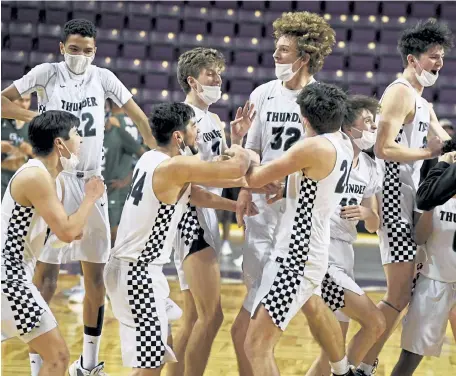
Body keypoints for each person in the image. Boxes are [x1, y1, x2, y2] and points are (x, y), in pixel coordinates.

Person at [1, 18, 155, 376]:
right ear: (61, 48)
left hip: (92, 181)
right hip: (57, 179)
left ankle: (89, 363)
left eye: (87, 50)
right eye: (74, 49)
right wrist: (40, 117)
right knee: (46, 276)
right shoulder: (46, 73)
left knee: (95, 278)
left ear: (95, 51)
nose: (81, 55)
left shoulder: (103, 78)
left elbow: (139, 117)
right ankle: (38, 362)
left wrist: (161, 151)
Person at [103, 102, 253, 376]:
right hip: (136, 273)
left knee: (161, 353)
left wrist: (237, 207)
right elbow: (235, 170)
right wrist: (240, 145)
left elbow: (195, 194)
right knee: (152, 366)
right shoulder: (175, 166)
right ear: (178, 136)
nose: (198, 130)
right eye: (194, 126)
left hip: (136, 270)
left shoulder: (153, 158)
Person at [231, 12, 336, 376]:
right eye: (276, 49)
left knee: (301, 306)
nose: (275, 56)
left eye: (283, 51)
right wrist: (247, 192)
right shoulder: (263, 93)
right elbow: (254, 148)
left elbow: (322, 156)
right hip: (262, 206)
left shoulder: (319, 100)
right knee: (255, 309)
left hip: (300, 213)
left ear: (304, 57)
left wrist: (284, 180)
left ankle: (339, 365)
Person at [356, 19, 454, 376]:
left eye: (441, 57)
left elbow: (447, 144)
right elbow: (383, 148)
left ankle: (364, 363)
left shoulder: (420, 100)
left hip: (410, 201)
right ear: (413, 59)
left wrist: (443, 151)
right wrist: (430, 155)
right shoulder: (399, 92)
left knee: (403, 297)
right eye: (433, 57)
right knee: (397, 297)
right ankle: (357, 364)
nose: (439, 64)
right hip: (395, 200)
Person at [242, 82, 354, 376]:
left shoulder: (311, 146)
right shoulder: (341, 143)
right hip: (312, 250)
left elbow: (253, 178)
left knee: (255, 346)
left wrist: (240, 144)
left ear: (304, 118)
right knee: (315, 306)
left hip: (295, 257)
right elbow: (314, 183)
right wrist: (287, 190)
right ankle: (343, 371)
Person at [168, 47, 256, 376]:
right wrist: (238, 202)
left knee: (193, 316)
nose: (218, 79)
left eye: (219, 73)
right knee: (212, 316)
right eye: (210, 74)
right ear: (192, 80)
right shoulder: (182, 117)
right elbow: (189, 183)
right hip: (189, 216)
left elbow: (220, 168)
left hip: (206, 214)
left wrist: (237, 138)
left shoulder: (215, 120)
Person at [1, 110, 105, 376]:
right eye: (76, 134)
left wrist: (70, 229)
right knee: (58, 356)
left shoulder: (52, 179)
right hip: (8, 276)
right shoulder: (36, 176)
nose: (81, 140)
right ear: (60, 143)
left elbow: (61, 231)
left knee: (55, 356)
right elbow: (68, 231)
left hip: (14, 274)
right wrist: (90, 198)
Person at [305, 95, 385, 376]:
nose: (373, 127)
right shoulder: (328, 152)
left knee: (331, 349)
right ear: (348, 127)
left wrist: (366, 215)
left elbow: (375, 224)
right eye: (367, 121)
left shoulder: (370, 166)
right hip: (321, 250)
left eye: (375, 122)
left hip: (345, 252)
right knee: (375, 322)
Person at [391, 150, 456, 376]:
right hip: (433, 280)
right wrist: (432, 204)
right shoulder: (432, 194)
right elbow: (419, 238)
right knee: (410, 356)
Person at [1, 93, 34, 199]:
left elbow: (47, 156)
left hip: (23, 178)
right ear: (10, 101)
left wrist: (30, 150)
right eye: (20, 100)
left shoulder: (35, 124)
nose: (24, 104)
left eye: (27, 100)